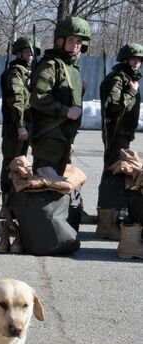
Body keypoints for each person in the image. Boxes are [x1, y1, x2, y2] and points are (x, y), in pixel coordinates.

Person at [29, 16, 91, 181]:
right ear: (59, 41)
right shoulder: (51, 64)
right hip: (49, 137)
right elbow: (38, 97)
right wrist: (65, 111)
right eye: (71, 40)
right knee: (47, 185)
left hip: (65, 136)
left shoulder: (71, 67)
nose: (75, 45)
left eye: (79, 41)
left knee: (60, 187)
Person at [96, 43, 143, 239]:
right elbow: (114, 105)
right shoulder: (118, 78)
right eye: (134, 59)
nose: (137, 64)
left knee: (114, 174)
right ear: (125, 59)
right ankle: (106, 224)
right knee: (113, 176)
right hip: (116, 133)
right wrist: (131, 92)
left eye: (139, 61)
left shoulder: (128, 78)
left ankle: (110, 219)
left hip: (124, 133)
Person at [0, 35, 40, 219]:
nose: (31, 55)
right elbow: (16, 101)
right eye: (28, 51)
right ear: (19, 53)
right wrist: (20, 125)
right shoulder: (16, 73)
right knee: (11, 164)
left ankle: (14, 200)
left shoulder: (30, 72)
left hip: (26, 125)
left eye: (33, 52)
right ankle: (6, 202)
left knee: (21, 164)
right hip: (16, 127)